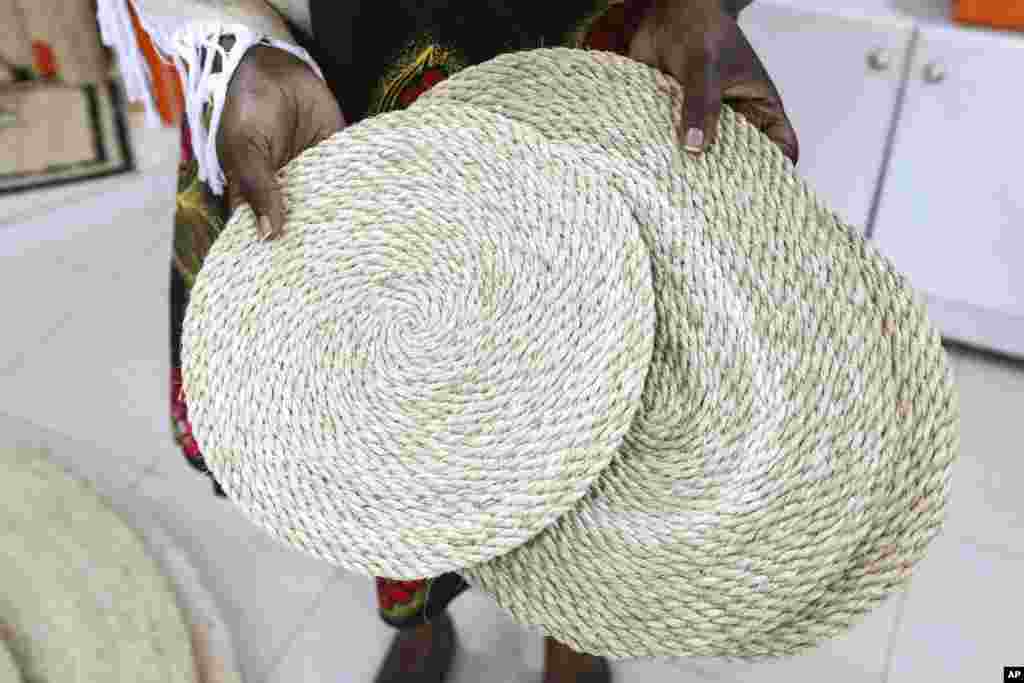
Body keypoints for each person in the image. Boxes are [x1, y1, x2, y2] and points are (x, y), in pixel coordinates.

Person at [100, 1, 798, 681]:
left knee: (594, 399)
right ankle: (420, 612)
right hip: (328, 74)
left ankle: (573, 627)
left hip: (578, 55)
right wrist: (240, 42)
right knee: (383, 407)